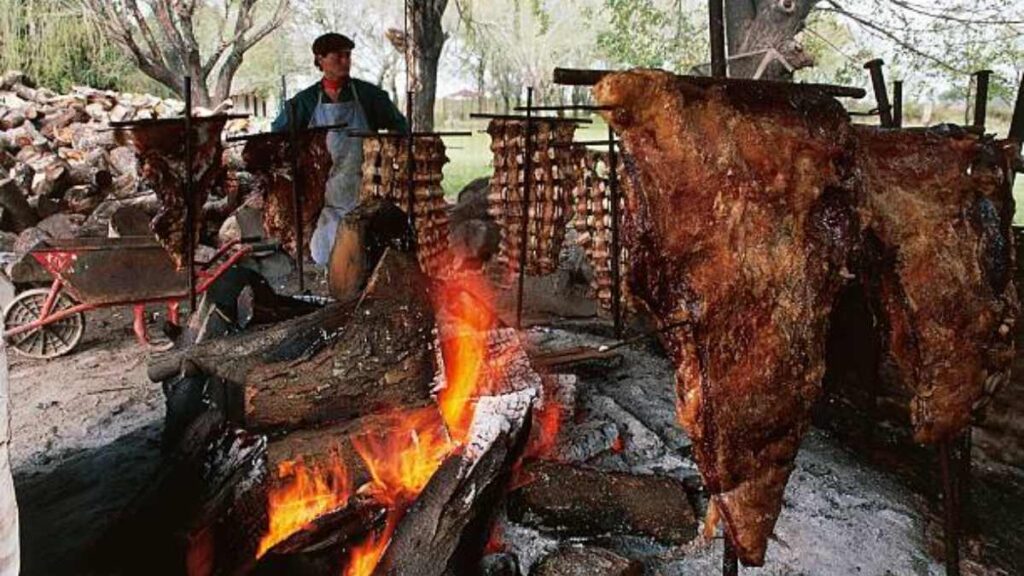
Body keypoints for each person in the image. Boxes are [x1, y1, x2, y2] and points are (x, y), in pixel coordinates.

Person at [272, 32, 409, 266]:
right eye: (338, 56)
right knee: (326, 253)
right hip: (327, 195)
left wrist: (393, 153)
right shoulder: (304, 102)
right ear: (320, 59)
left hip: (366, 191)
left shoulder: (369, 96)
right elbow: (277, 135)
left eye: (348, 56)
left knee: (369, 253)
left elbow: (401, 127)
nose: (345, 61)